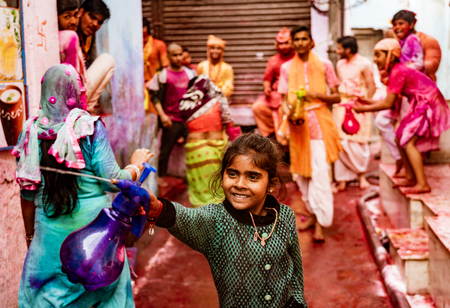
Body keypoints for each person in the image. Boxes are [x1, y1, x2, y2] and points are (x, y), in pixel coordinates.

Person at [13, 64, 152, 307]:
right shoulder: (89, 127)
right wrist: (137, 165)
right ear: (77, 92)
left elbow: (27, 194)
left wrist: (30, 237)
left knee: (44, 296)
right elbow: (114, 181)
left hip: (48, 239)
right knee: (100, 295)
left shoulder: (30, 132)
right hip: (96, 239)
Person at [145, 134, 307, 307]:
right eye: (232, 174)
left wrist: (299, 302)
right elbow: (185, 217)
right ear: (222, 177)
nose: (239, 184)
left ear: (271, 184)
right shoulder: (217, 220)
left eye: (252, 177)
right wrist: (158, 209)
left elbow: (295, 270)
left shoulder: (285, 215)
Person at [353, 39, 450, 194]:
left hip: (427, 102)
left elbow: (388, 104)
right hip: (421, 102)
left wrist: (363, 108)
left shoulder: (398, 71)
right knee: (399, 137)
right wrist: (366, 102)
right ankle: (411, 177)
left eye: (378, 55)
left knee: (408, 141)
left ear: (391, 56)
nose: (375, 59)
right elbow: (387, 101)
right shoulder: (397, 70)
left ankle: (422, 183)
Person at [278, 26, 341, 242]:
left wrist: (317, 95)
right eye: (297, 39)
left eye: (305, 39)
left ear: (311, 42)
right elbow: (284, 101)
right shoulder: (286, 68)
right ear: (293, 43)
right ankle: (313, 215)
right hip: (298, 128)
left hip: (320, 127)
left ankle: (321, 224)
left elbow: (337, 97)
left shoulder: (325, 64)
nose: (301, 43)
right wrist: (289, 116)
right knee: (302, 177)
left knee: (321, 175)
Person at [375, 10, 425, 176]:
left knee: (403, 135)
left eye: (401, 23)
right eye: (395, 24)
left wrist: (400, 72)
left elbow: (419, 62)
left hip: (412, 93)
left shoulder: (412, 40)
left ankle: (410, 171)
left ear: (411, 25)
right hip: (402, 91)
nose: (397, 27)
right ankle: (404, 165)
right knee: (391, 128)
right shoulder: (400, 42)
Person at [179, 75, 233, 207]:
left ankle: (201, 217)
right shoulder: (218, 101)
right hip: (216, 148)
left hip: (195, 150)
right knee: (218, 185)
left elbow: (185, 125)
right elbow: (228, 121)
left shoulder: (185, 105)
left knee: (199, 188)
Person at [149, 43, 196, 188]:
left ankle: (193, 179)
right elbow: (154, 96)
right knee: (165, 151)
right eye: (174, 55)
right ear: (168, 57)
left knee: (193, 150)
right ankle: (161, 177)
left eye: (180, 54)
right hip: (171, 120)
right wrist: (163, 116)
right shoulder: (162, 74)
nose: (178, 58)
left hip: (188, 120)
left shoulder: (191, 73)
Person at [332, 36, 376, 192]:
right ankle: (342, 179)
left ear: (348, 49)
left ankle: (361, 175)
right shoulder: (339, 64)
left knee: (358, 143)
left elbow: (372, 86)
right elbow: (340, 84)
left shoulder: (364, 63)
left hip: (359, 107)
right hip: (342, 106)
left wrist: (364, 106)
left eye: (339, 48)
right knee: (342, 143)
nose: (337, 51)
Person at [252, 28, 295, 138]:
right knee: (257, 107)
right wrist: (267, 88)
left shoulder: (298, 59)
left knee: (282, 111)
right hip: (275, 94)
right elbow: (267, 78)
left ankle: (284, 138)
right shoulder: (273, 60)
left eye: (286, 43)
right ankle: (270, 135)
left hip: (291, 94)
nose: (283, 46)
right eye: (280, 44)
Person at [197, 35, 234, 99]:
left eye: (218, 48)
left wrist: (215, 94)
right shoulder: (201, 66)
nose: (215, 51)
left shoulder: (227, 68)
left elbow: (229, 89)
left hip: (221, 101)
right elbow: (197, 85)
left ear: (222, 51)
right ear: (209, 50)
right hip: (204, 101)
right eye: (213, 48)